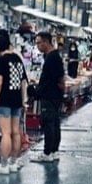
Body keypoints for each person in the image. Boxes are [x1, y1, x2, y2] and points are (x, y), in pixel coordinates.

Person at [0, 32, 28, 174]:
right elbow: (24, 82)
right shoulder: (17, 59)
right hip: (17, 99)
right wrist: (24, 100)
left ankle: (4, 165)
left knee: (5, 133)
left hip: (4, 100)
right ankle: (13, 162)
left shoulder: (1, 61)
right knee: (15, 132)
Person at [33, 31, 65, 163]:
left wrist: (39, 91)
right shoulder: (53, 56)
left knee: (49, 123)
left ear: (46, 42)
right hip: (55, 95)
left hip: (50, 96)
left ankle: (47, 153)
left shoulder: (52, 58)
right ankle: (54, 151)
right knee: (55, 123)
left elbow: (59, 79)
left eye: (39, 43)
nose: (37, 46)